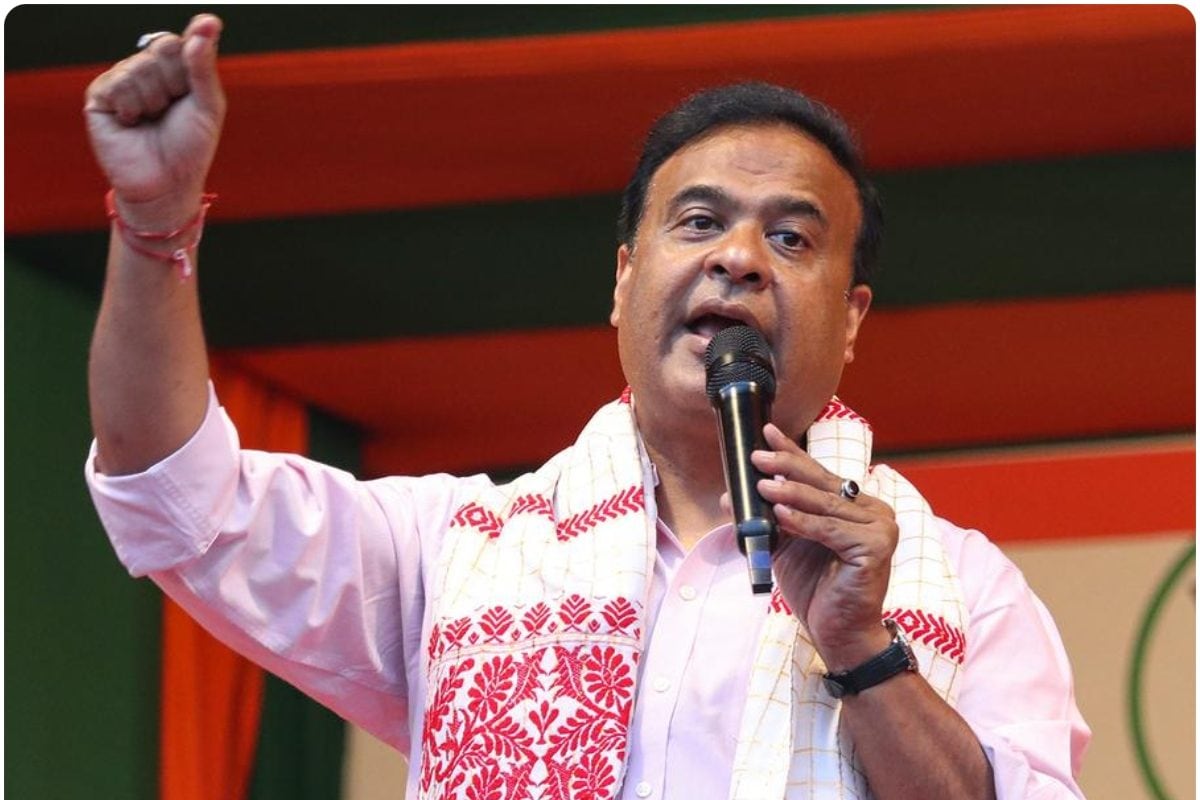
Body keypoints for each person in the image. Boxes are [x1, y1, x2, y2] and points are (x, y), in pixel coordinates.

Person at [84, 14, 1089, 800]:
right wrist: (152, 224)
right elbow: (174, 492)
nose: (738, 257)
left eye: (791, 239)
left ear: (853, 316)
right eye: (699, 220)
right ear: (623, 280)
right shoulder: (453, 552)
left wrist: (865, 650)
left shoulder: (966, 586)